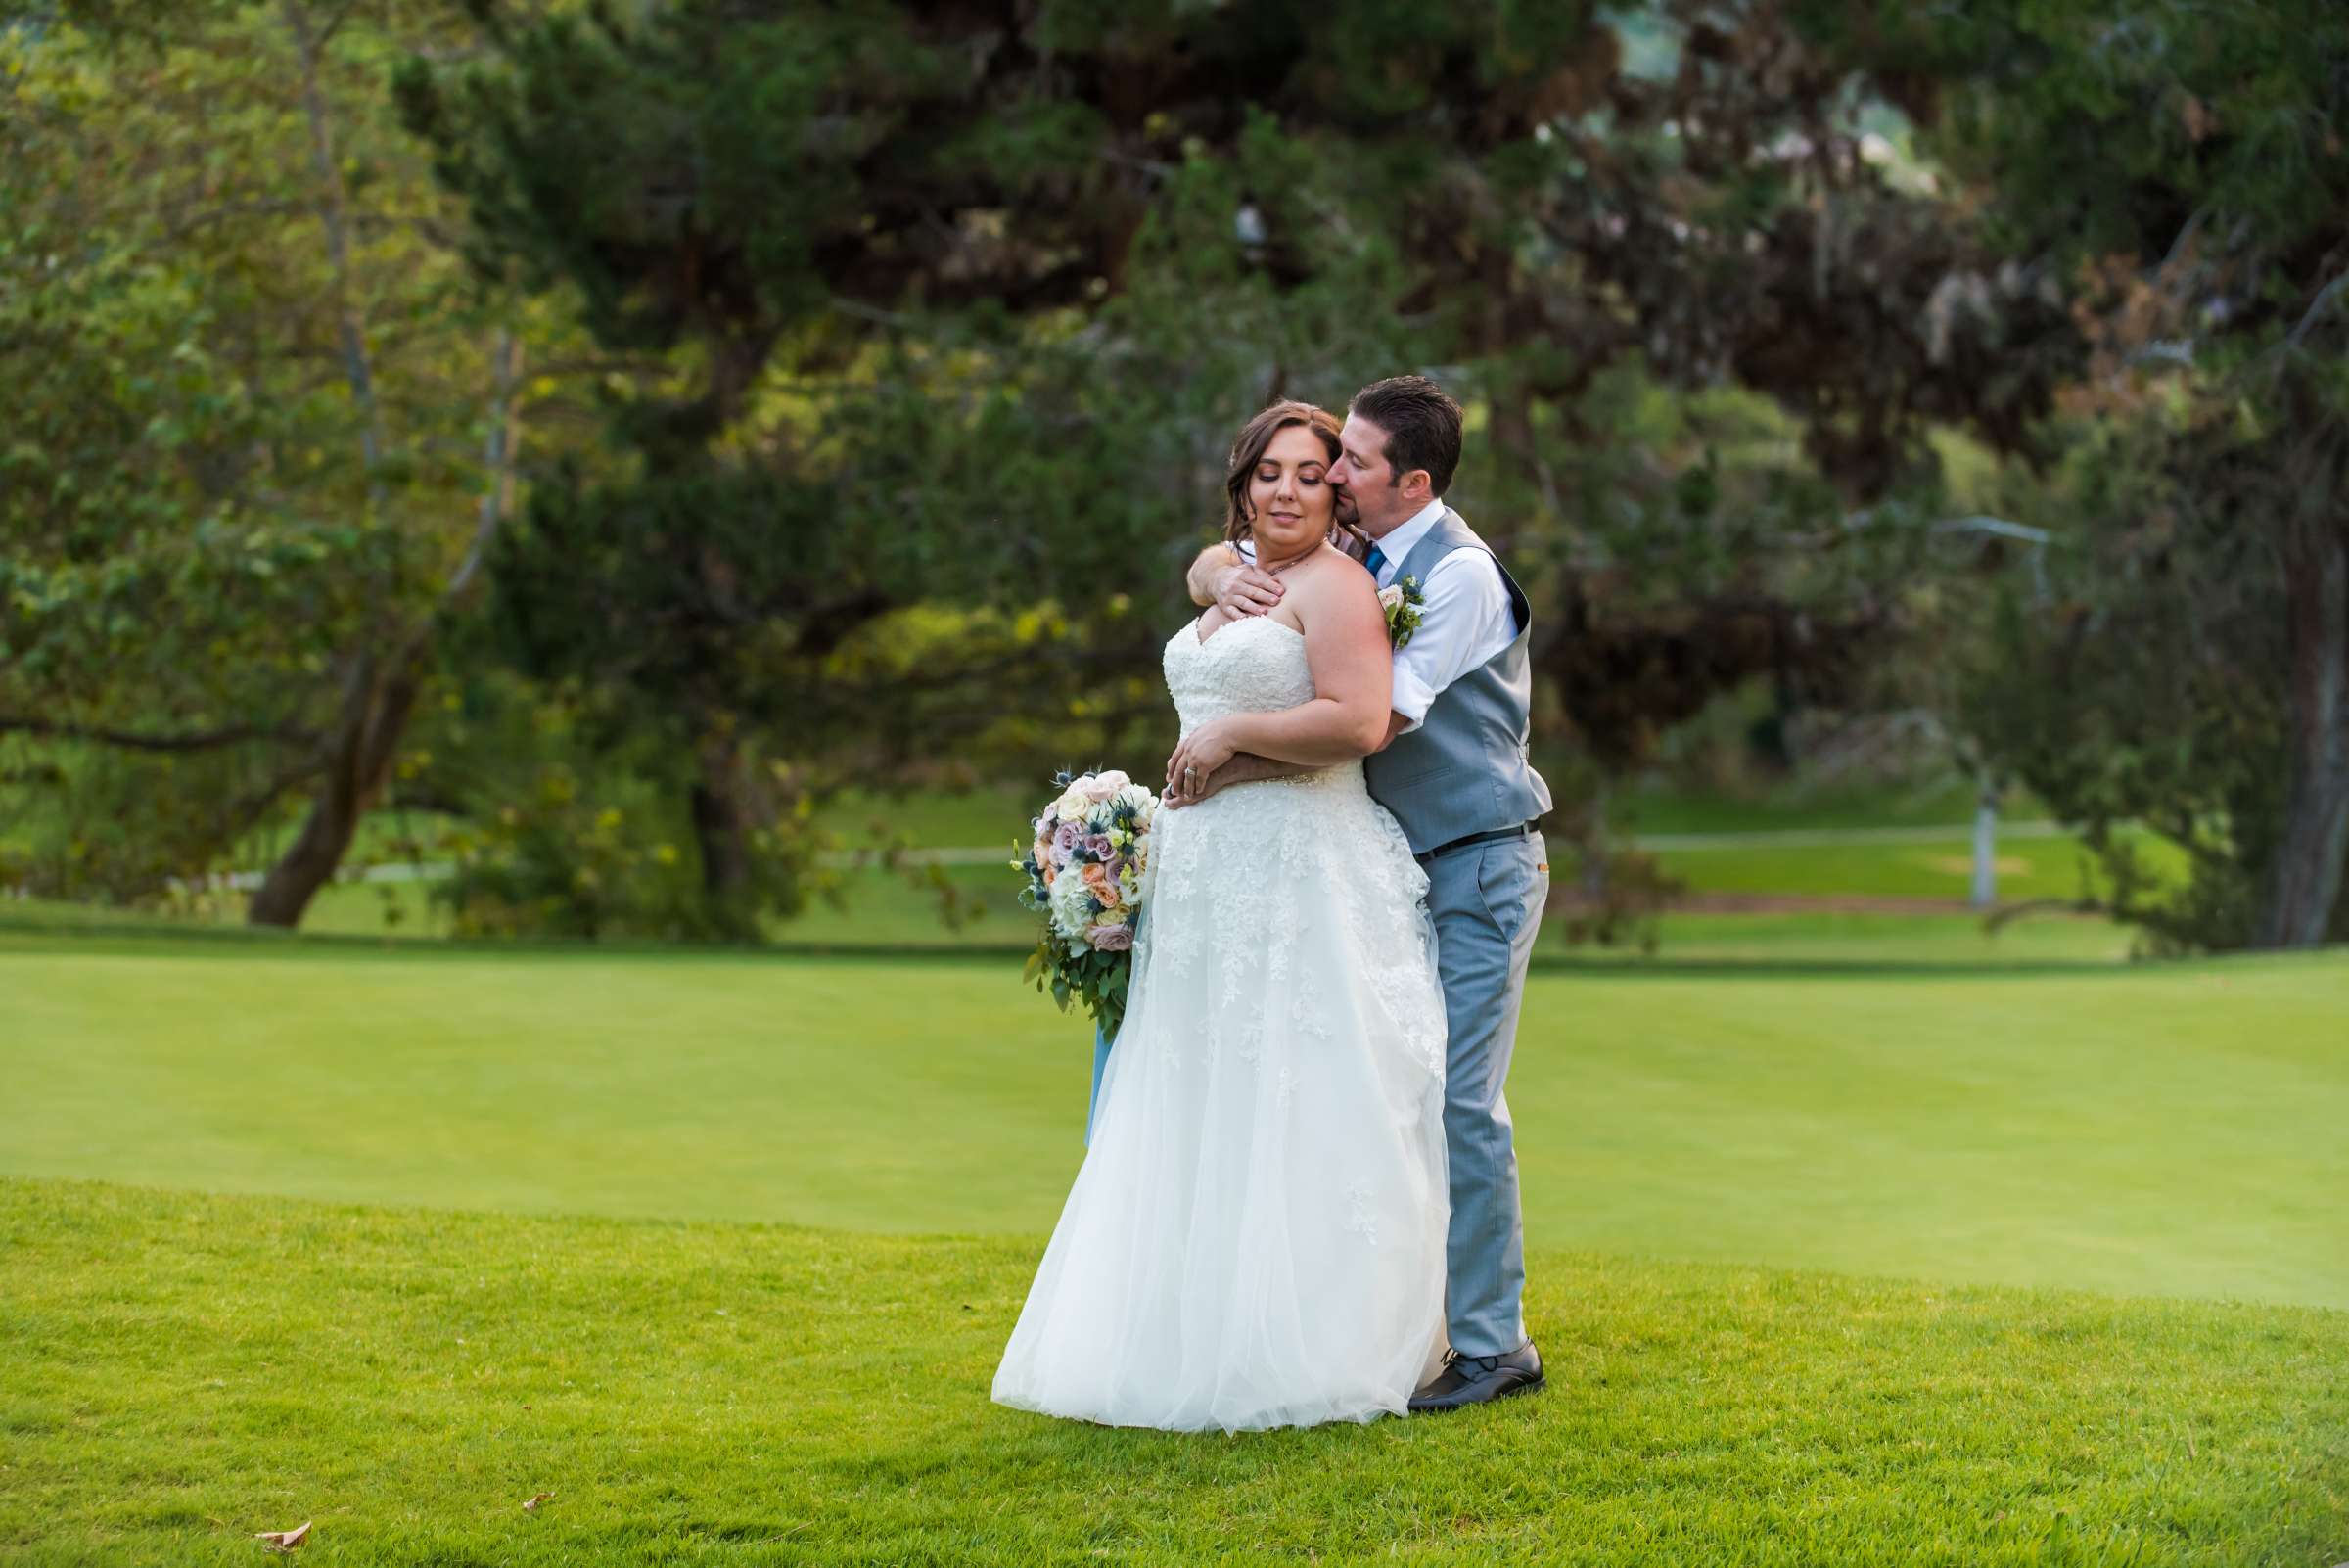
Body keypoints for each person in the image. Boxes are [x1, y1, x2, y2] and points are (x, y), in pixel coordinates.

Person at [991, 401, 1451, 1432]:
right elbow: (1216, 583)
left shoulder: (1336, 587)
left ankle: (1309, 1340)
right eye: (1266, 472)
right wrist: (1212, 572)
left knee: (1299, 1086)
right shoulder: (1236, 570)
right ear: (1240, 482)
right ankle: (1181, 1330)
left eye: (1307, 473)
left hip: (1299, 870)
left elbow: (1361, 720)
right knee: (1201, 1086)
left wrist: (1233, 725)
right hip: (1203, 876)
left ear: (1337, 488)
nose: (1285, 490)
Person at [1175, 375, 1552, 1413]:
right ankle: (1388, 1322)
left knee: (1457, 1099)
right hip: (1381, 866)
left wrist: (1217, 766)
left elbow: (1374, 721)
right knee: (1375, 1089)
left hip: (1475, 858)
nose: (1332, 474)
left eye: (1352, 463)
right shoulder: (1358, 553)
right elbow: (1236, 556)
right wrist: (1215, 570)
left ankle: (1493, 1344)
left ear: (1410, 480)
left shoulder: (1463, 576)